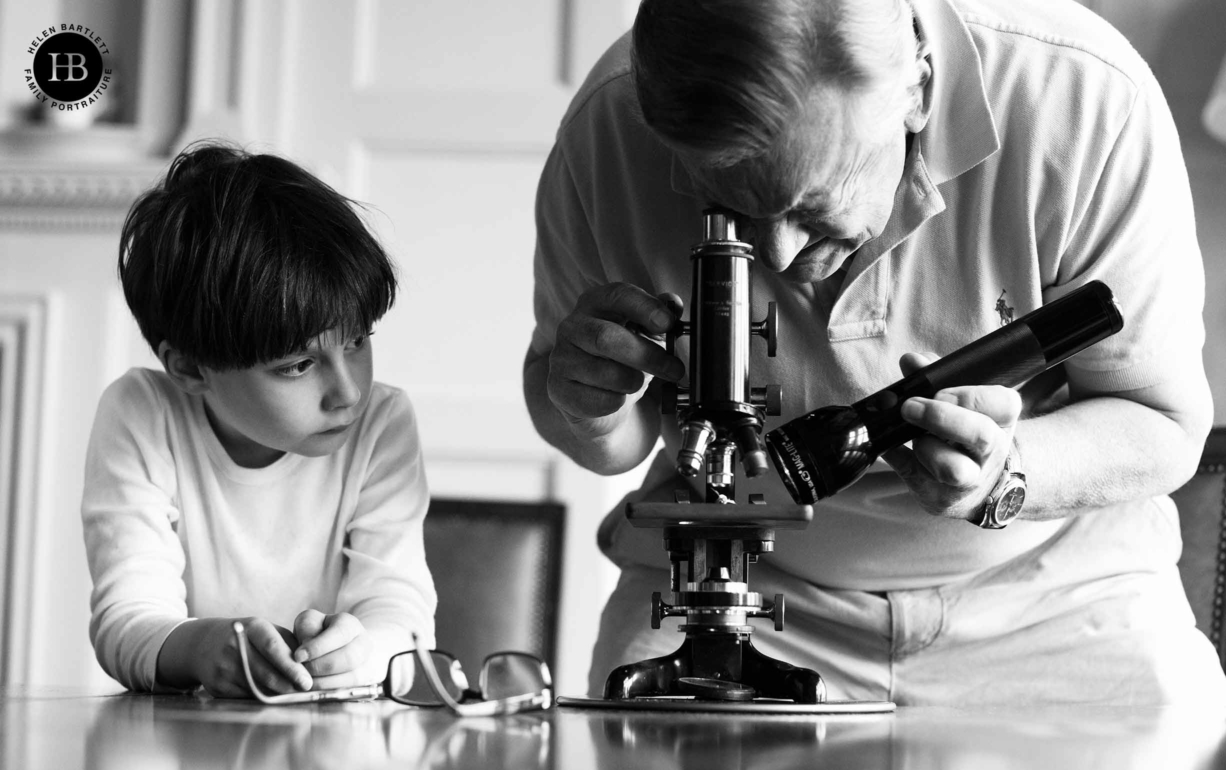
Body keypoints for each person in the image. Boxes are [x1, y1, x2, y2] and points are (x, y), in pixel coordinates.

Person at [525, 0, 1226, 705]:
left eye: (812, 205)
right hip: (735, 594)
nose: (778, 254)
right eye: (730, 207)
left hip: (1055, 599)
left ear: (919, 89)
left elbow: (1163, 426)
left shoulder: (1083, 99)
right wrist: (590, 404)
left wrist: (1006, 476)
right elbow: (607, 444)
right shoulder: (610, 126)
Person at [82, 142, 437, 696]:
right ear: (191, 368)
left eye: (358, 340)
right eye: (298, 365)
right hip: (187, 746)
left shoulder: (382, 424)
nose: (347, 393)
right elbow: (125, 618)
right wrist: (200, 647)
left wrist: (362, 652)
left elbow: (401, 610)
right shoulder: (143, 414)